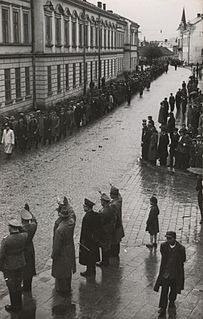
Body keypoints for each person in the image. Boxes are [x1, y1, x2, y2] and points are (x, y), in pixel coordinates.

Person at [154, 231, 186, 318]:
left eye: (170, 238)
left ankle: (172, 301)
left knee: (174, 290)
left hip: (175, 274)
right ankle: (163, 307)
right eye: (167, 238)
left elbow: (183, 259)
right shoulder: (163, 246)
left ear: (174, 239)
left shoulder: (181, 249)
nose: (168, 240)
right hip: (165, 274)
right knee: (164, 291)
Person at [0, 219, 27, 313]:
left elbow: (1, 255)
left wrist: (1, 267)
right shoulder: (24, 236)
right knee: (18, 284)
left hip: (10, 266)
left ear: (11, 228)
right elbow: (25, 230)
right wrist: (20, 227)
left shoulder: (6, 240)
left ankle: (14, 306)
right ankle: (19, 304)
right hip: (21, 262)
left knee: (11, 286)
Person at [51, 197, 76, 296]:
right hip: (69, 248)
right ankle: (67, 287)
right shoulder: (71, 222)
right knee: (68, 269)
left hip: (61, 251)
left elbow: (57, 246)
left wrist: (54, 255)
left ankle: (61, 289)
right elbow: (72, 213)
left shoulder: (60, 229)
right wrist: (65, 204)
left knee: (60, 270)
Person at [79, 198, 101, 277]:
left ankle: (89, 272)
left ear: (87, 207)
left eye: (84, 206)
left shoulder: (86, 217)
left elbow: (85, 231)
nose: (83, 207)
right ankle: (93, 270)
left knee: (88, 257)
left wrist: (83, 241)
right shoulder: (96, 215)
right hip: (94, 240)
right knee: (93, 256)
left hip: (88, 242)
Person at [20, 204, 37, 292]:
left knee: (24, 268)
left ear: (22, 219)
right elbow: (34, 220)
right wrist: (29, 212)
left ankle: (25, 287)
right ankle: (28, 286)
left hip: (23, 250)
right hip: (30, 248)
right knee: (30, 268)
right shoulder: (33, 226)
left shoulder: (20, 229)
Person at [96, 193, 116, 267]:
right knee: (107, 246)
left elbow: (100, 223)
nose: (101, 202)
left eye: (101, 200)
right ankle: (106, 261)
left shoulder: (104, 212)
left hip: (104, 232)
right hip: (109, 230)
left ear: (104, 202)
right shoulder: (110, 209)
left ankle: (104, 262)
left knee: (104, 247)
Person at [110, 185, 125, 257]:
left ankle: (114, 253)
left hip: (115, 225)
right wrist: (112, 186)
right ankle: (116, 252)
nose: (109, 195)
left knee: (114, 240)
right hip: (119, 224)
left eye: (110, 193)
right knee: (117, 240)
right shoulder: (119, 199)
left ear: (113, 195)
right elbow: (119, 194)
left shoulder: (114, 205)